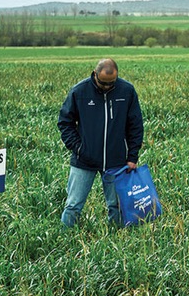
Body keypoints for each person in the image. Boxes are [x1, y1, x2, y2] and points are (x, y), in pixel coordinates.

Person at [58, 58, 144, 226]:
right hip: (83, 160)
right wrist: (78, 148)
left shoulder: (127, 91)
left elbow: (135, 126)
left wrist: (132, 157)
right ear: (95, 75)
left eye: (112, 83)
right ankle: (64, 241)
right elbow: (64, 122)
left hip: (116, 160)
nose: (107, 87)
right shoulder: (79, 92)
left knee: (117, 206)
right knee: (73, 205)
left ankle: (117, 239)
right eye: (103, 83)